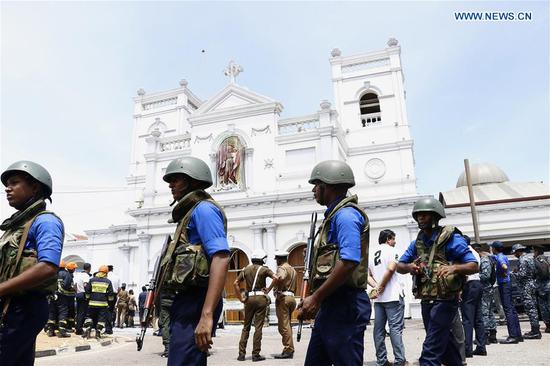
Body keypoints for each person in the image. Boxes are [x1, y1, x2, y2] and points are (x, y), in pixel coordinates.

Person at [298, 160, 371, 366]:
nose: (313, 190)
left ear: (327, 186)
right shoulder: (332, 216)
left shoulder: (346, 215)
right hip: (331, 304)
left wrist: (315, 298)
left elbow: (349, 262)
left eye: (316, 185)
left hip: (345, 304)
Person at [160, 156, 230, 366]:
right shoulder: (189, 213)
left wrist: (206, 315)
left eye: (177, 179)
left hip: (197, 301)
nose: (171, 185)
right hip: (186, 300)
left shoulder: (204, 210)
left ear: (193, 181)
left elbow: (221, 257)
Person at [396, 197, 478, 366]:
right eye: (418, 215)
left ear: (435, 216)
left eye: (425, 215)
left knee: (431, 347)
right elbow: (399, 266)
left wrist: (454, 268)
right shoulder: (417, 242)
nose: (420, 218)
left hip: (445, 300)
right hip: (427, 300)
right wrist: (410, 267)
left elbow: (473, 266)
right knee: (444, 341)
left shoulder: (450, 238)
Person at [0, 161, 63, 365]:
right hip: (12, 306)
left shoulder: (46, 221)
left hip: (23, 307)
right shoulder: (16, 226)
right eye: (6, 184)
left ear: (35, 187)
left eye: (14, 182)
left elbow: (48, 267)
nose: (7, 188)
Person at [368, 229, 408, 366]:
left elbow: (367, 275)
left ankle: (381, 360)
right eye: (393, 239)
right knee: (395, 329)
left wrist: (376, 287)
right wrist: (382, 286)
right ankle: (400, 360)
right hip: (393, 295)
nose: (395, 241)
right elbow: (391, 269)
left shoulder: (371, 253)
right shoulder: (393, 251)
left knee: (378, 330)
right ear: (388, 239)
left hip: (379, 298)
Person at [234, 249, 278, 362]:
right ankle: (255, 354)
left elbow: (235, 283)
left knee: (246, 327)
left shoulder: (245, 270)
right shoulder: (264, 269)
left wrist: (240, 297)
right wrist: (268, 289)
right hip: (260, 299)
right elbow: (276, 278)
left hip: (248, 299)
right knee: (258, 327)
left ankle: (241, 354)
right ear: (262, 259)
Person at [264, 250, 297, 359]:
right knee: (287, 325)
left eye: (277, 259)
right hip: (291, 298)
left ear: (279, 259)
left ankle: (288, 350)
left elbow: (279, 277)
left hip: (283, 298)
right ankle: (289, 348)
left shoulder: (282, 268)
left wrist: (269, 289)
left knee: (283, 326)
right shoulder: (293, 269)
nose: (276, 261)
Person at [490, 241, 522, 343]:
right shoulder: (501, 256)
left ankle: (513, 336)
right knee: (512, 309)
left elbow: (504, 266)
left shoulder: (500, 258)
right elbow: (492, 256)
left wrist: (505, 271)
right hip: (507, 284)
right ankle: (518, 335)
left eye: (491, 248)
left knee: (508, 309)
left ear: (495, 249)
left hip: (504, 285)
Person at [460, 237, 486, 357]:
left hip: (469, 285)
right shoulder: (474, 252)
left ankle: (467, 349)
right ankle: (481, 347)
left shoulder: (465, 251)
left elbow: (465, 273)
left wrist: (459, 289)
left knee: (467, 319)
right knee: (478, 318)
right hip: (478, 284)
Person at [511, 244, 541, 339]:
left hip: (526, 287)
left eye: (515, 253)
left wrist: (513, 273)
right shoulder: (530, 258)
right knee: (533, 308)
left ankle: (535, 331)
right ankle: (535, 330)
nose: (514, 255)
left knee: (530, 308)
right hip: (532, 284)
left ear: (518, 251)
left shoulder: (523, 260)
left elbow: (522, 275)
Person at [474, 243, 498, 344]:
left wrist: (473, 275)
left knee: (485, 312)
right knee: (489, 312)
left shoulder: (484, 259)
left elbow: (485, 275)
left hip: (485, 289)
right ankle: (492, 335)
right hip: (488, 288)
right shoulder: (487, 259)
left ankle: (486, 336)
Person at [83, 265, 115, 339]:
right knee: (101, 320)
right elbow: (110, 294)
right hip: (103, 304)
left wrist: (88, 299)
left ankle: (88, 330)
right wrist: (110, 302)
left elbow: (87, 291)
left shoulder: (92, 280)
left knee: (89, 317)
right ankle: (98, 333)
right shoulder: (108, 281)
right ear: (106, 273)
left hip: (92, 303)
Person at [57, 261, 77, 337]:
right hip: (65, 296)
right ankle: (62, 331)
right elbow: (66, 285)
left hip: (56, 296)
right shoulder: (67, 274)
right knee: (64, 312)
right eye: (74, 268)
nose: (75, 269)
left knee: (54, 312)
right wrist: (72, 289)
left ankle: (52, 329)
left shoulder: (55, 273)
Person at [532, 246, 550, 333]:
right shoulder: (548, 259)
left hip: (542, 287)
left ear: (537, 252)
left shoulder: (536, 260)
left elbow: (534, 274)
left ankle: (548, 326)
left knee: (543, 307)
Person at [74, 262, 92, 335]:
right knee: (82, 313)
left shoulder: (78, 275)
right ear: (89, 268)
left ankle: (77, 327)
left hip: (78, 294)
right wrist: (88, 293)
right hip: (84, 295)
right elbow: (85, 285)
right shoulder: (86, 276)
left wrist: (77, 292)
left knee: (78, 312)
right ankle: (79, 329)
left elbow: (74, 285)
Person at [106, 265, 120, 334]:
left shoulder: (106, 276)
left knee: (106, 311)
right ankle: (110, 327)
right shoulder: (117, 277)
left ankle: (108, 328)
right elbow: (119, 288)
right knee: (111, 311)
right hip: (114, 295)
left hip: (107, 295)